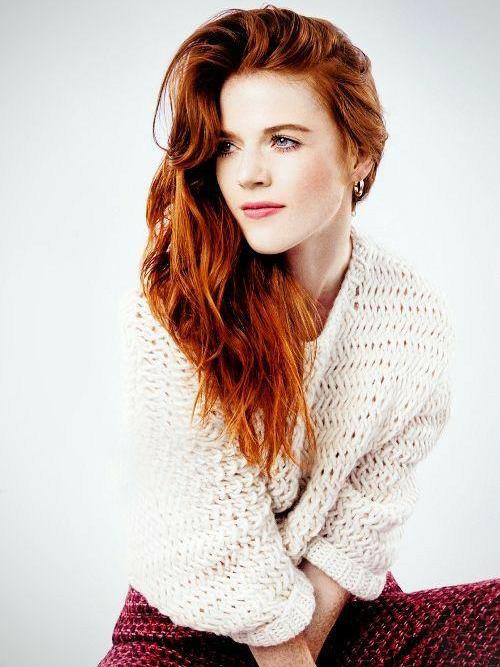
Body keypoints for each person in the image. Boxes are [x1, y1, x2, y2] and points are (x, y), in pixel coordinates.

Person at [98, 6, 499, 666]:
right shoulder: (175, 308)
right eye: (229, 145)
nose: (248, 173)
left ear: (358, 153)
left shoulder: (413, 320)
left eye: (282, 140)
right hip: (189, 624)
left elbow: (359, 522)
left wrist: (304, 654)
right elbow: (219, 542)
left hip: (334, 614)